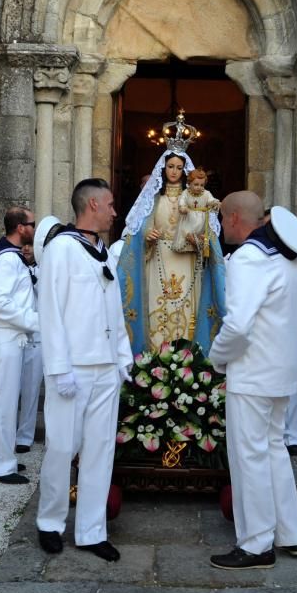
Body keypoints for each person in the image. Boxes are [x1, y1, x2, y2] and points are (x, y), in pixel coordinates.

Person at [208, 194, 297, 570]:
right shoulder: (291, 257)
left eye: (221, 218)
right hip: (282, 371)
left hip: (252, 372)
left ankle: (255, 545)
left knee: (248, 457)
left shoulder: (250, 257)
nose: (221, 225)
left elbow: (237, 324)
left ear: (234, 218)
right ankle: (290, 533)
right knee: (273, 450)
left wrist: (217, 358)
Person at [35, 179, 133, 562]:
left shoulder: (103, 251)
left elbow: (115, 308)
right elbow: (50, 311)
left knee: (101, 449)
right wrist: (58, 367)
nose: (113, 211)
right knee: (62, 447)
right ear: (92, 204)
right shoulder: (61, 249)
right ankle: (50, 522)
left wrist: (122, 356)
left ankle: (92, 530)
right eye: (109, 204)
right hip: (72, 367)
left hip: (106, 365)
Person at [116, 138, 226, 356]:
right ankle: (156, 359)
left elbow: (209, 240)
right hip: (158, 260)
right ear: (162, 168)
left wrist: (199, 242)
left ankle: (185, 359)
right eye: (170, 167)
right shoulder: (153, 202)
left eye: (179, 167)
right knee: (159, 312)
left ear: (185, 170)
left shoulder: (198, 200)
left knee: (187, 311)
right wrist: (148, 237)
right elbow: (137, 238)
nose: (174, 172)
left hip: (188, 262)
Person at [0, 208, 38, 484]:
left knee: (2, 399)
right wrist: (35, 321)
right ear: (20, 228)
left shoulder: (10, 257)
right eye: (32, 224)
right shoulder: (5, 260)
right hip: (5, 338)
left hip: (9, 337)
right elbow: (0, 302)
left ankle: (0, 456)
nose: (35, 228)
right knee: (3, 401)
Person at [17, 242, 43, 453]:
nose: (26, 250)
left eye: (30, 246)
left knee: (31, 389)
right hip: (17, 335)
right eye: (23, 246)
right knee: (7, 388)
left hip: (38, 336)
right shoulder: (14, 267)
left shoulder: (45, 269)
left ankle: (25, 436)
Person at [172, 167, 220, 253]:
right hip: (189, 217)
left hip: (201, 219)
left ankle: (197, 243)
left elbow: (211, 200)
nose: (199, 187)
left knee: (201, 235)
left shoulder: (206, 193)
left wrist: (215, 203)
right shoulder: (186, 193)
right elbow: (182, 201)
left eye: (202, 185)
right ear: (189, 183)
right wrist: (183, 208)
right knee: (186, 231)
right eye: (196, 184)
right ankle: (188, 242)